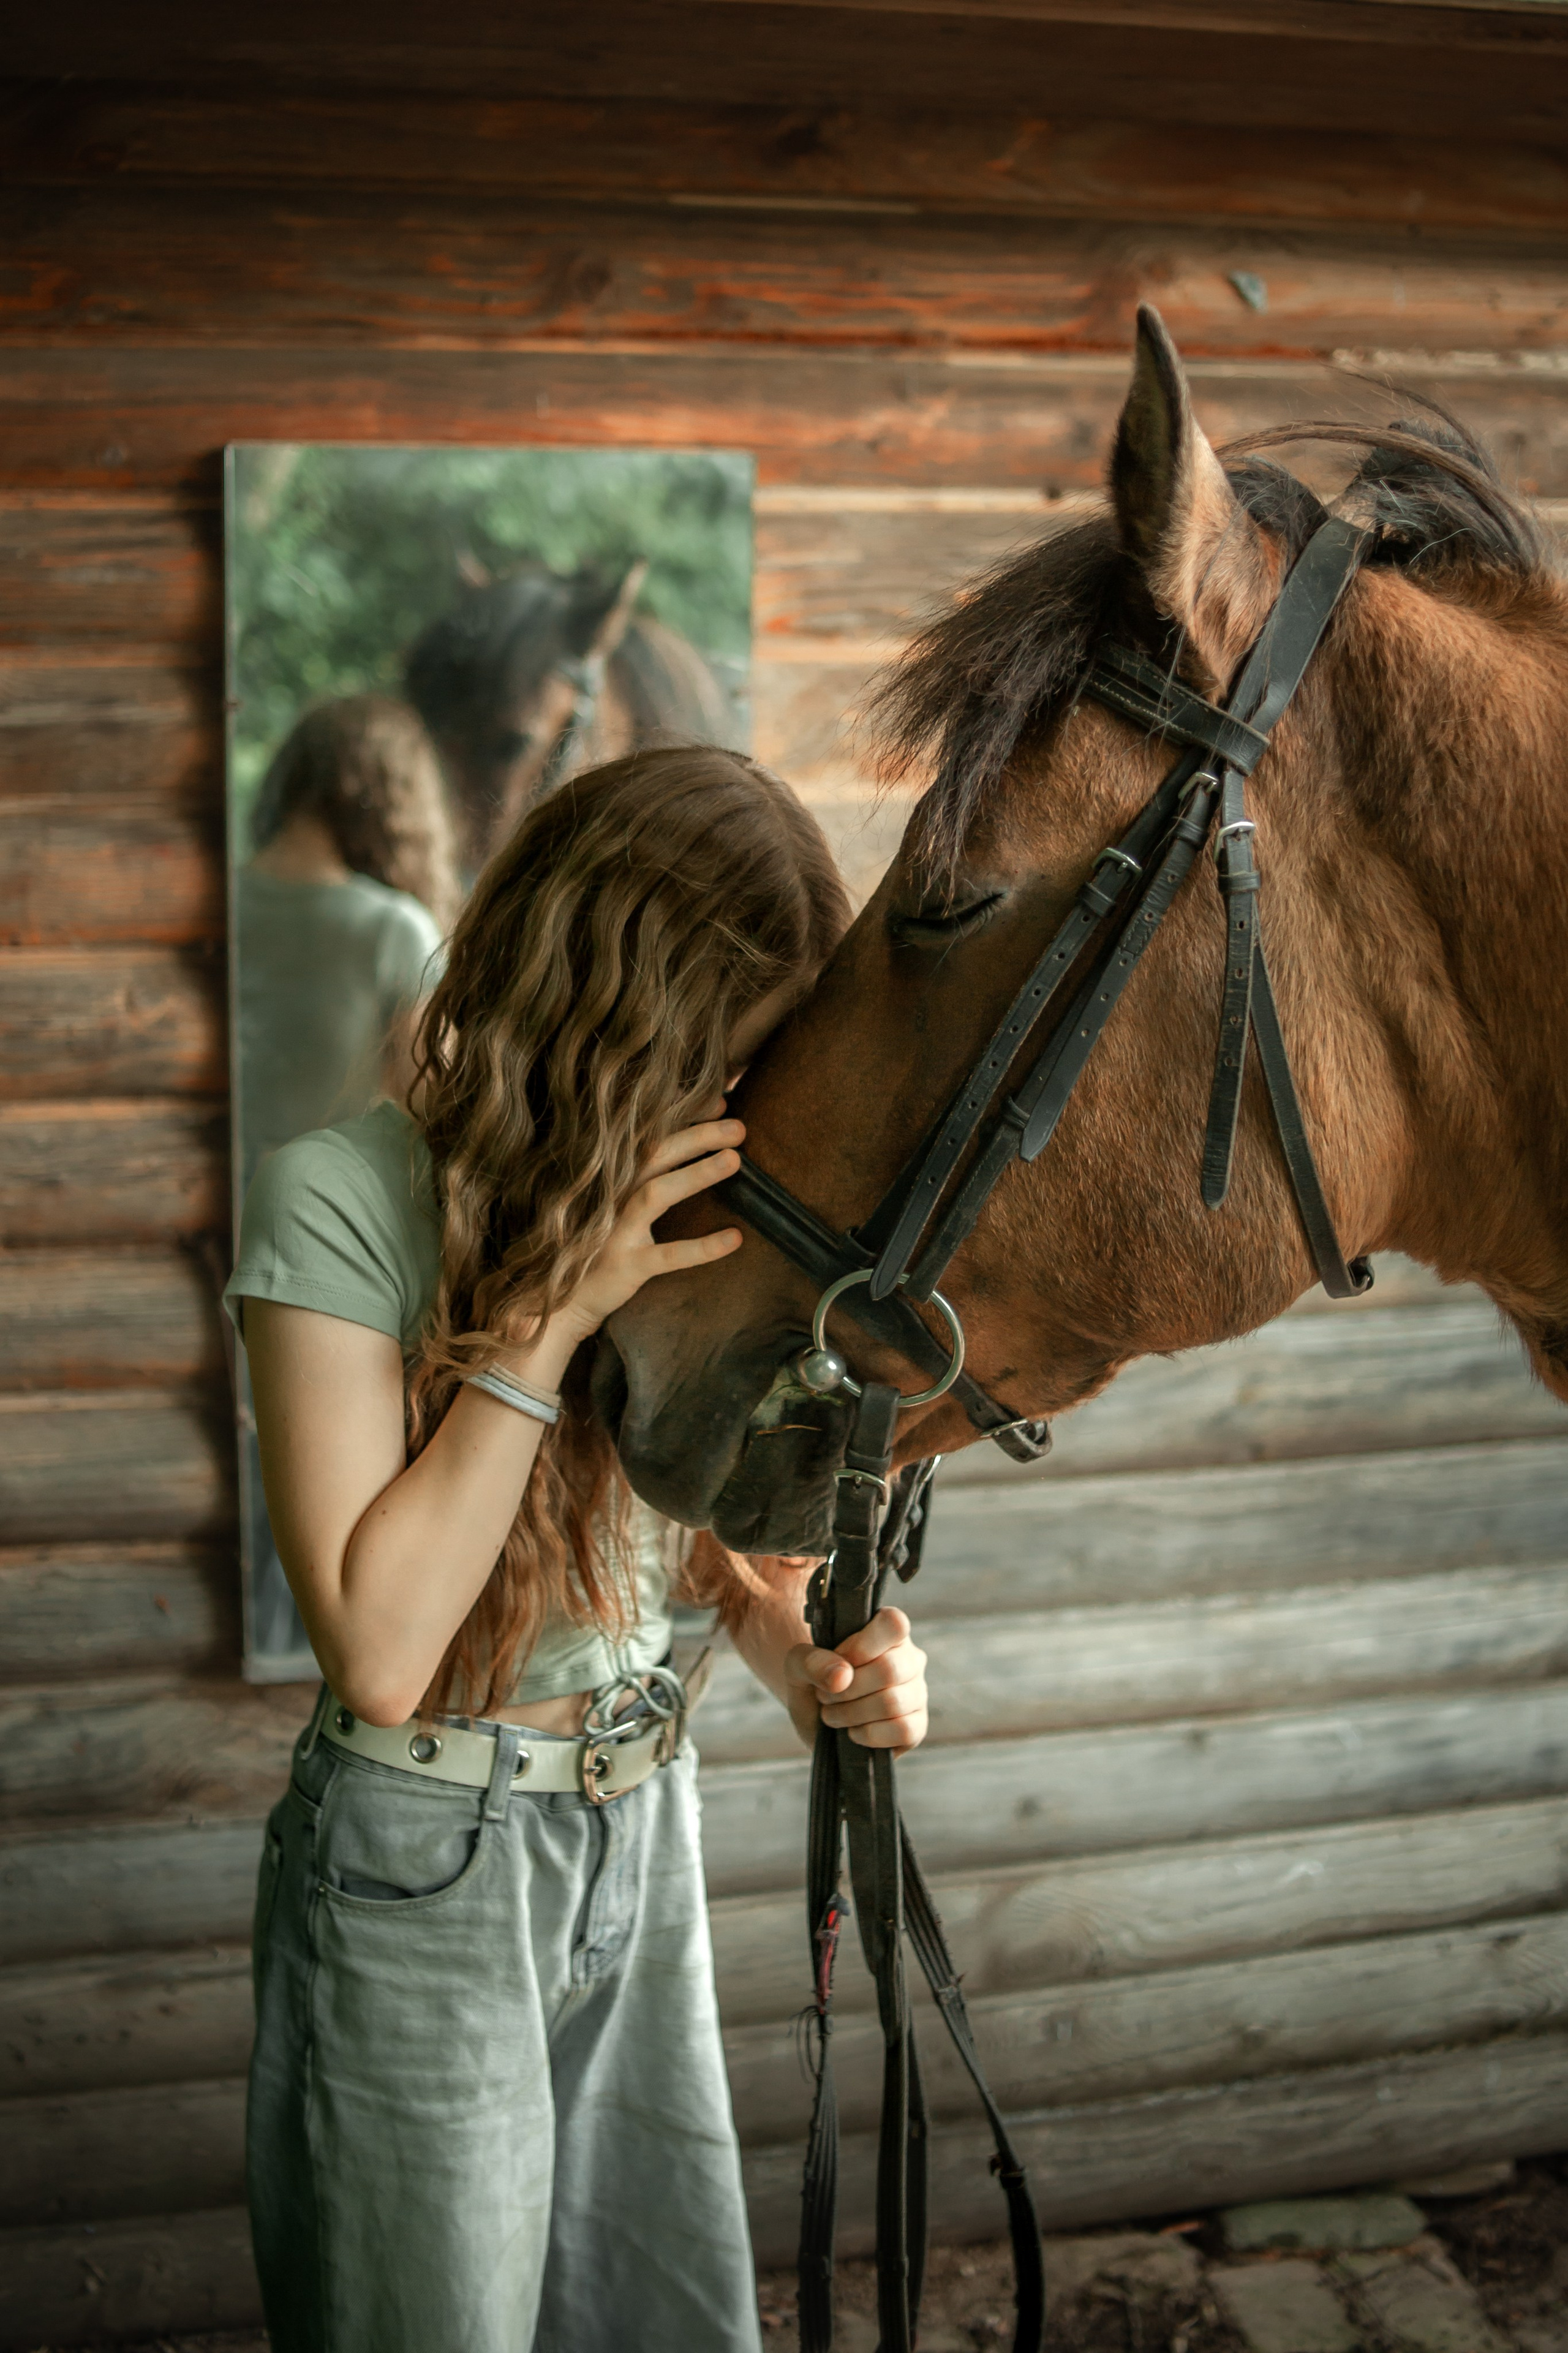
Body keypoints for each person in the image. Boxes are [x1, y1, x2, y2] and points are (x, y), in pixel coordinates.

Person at [224, 746, 932, 2353]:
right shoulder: (335, 1204)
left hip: (639, 1827)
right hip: (424, 1868)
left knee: (664, 2320)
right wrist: (546, 1326)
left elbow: (687, 1556)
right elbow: (383, 1649)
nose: (730, 1111)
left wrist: (817, 1667)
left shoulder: (665, 1216)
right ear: (613, 1020)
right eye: (720, 1062)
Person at [236, 694, 461, 1662]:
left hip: (236, 1237)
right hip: (347, 1266)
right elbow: (434, 1104)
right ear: (390, 799)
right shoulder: (390, 927)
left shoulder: (226, 902)